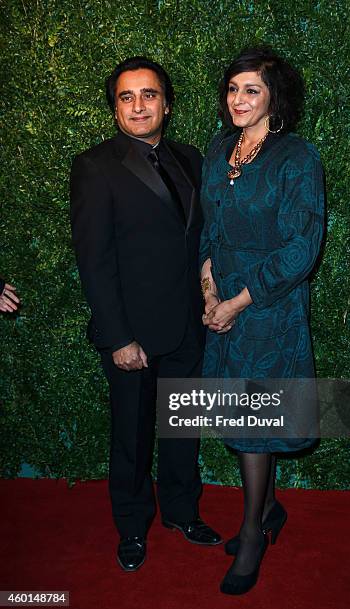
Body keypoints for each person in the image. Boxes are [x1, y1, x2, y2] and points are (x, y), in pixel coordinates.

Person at [70, 56, 222, 572]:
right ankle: (132, 526)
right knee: (131, 436)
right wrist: (118, 337)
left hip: (187, 328)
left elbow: (199, 240)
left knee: (184, 429)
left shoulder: (192, 158)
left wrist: (208, 298)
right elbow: (93, 259)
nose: (139, 106)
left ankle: (181, 511)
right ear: (115, 109)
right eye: (127, 97)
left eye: (149, 95)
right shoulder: (94, 165)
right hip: (131, 333)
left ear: (167, 104)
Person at [200, 46, 325, 594]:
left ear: (275, 96)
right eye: (233, 89)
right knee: (235, 412)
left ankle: (252, 532)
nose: (238, 100)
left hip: (268, 307)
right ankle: (269, 509)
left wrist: (237, 301)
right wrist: (208, 287)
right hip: (220, 299)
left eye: (251, 90)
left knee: (253, 420)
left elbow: (304, 247)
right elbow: (209, 226)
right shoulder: (219, 148)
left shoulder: (297, 157)